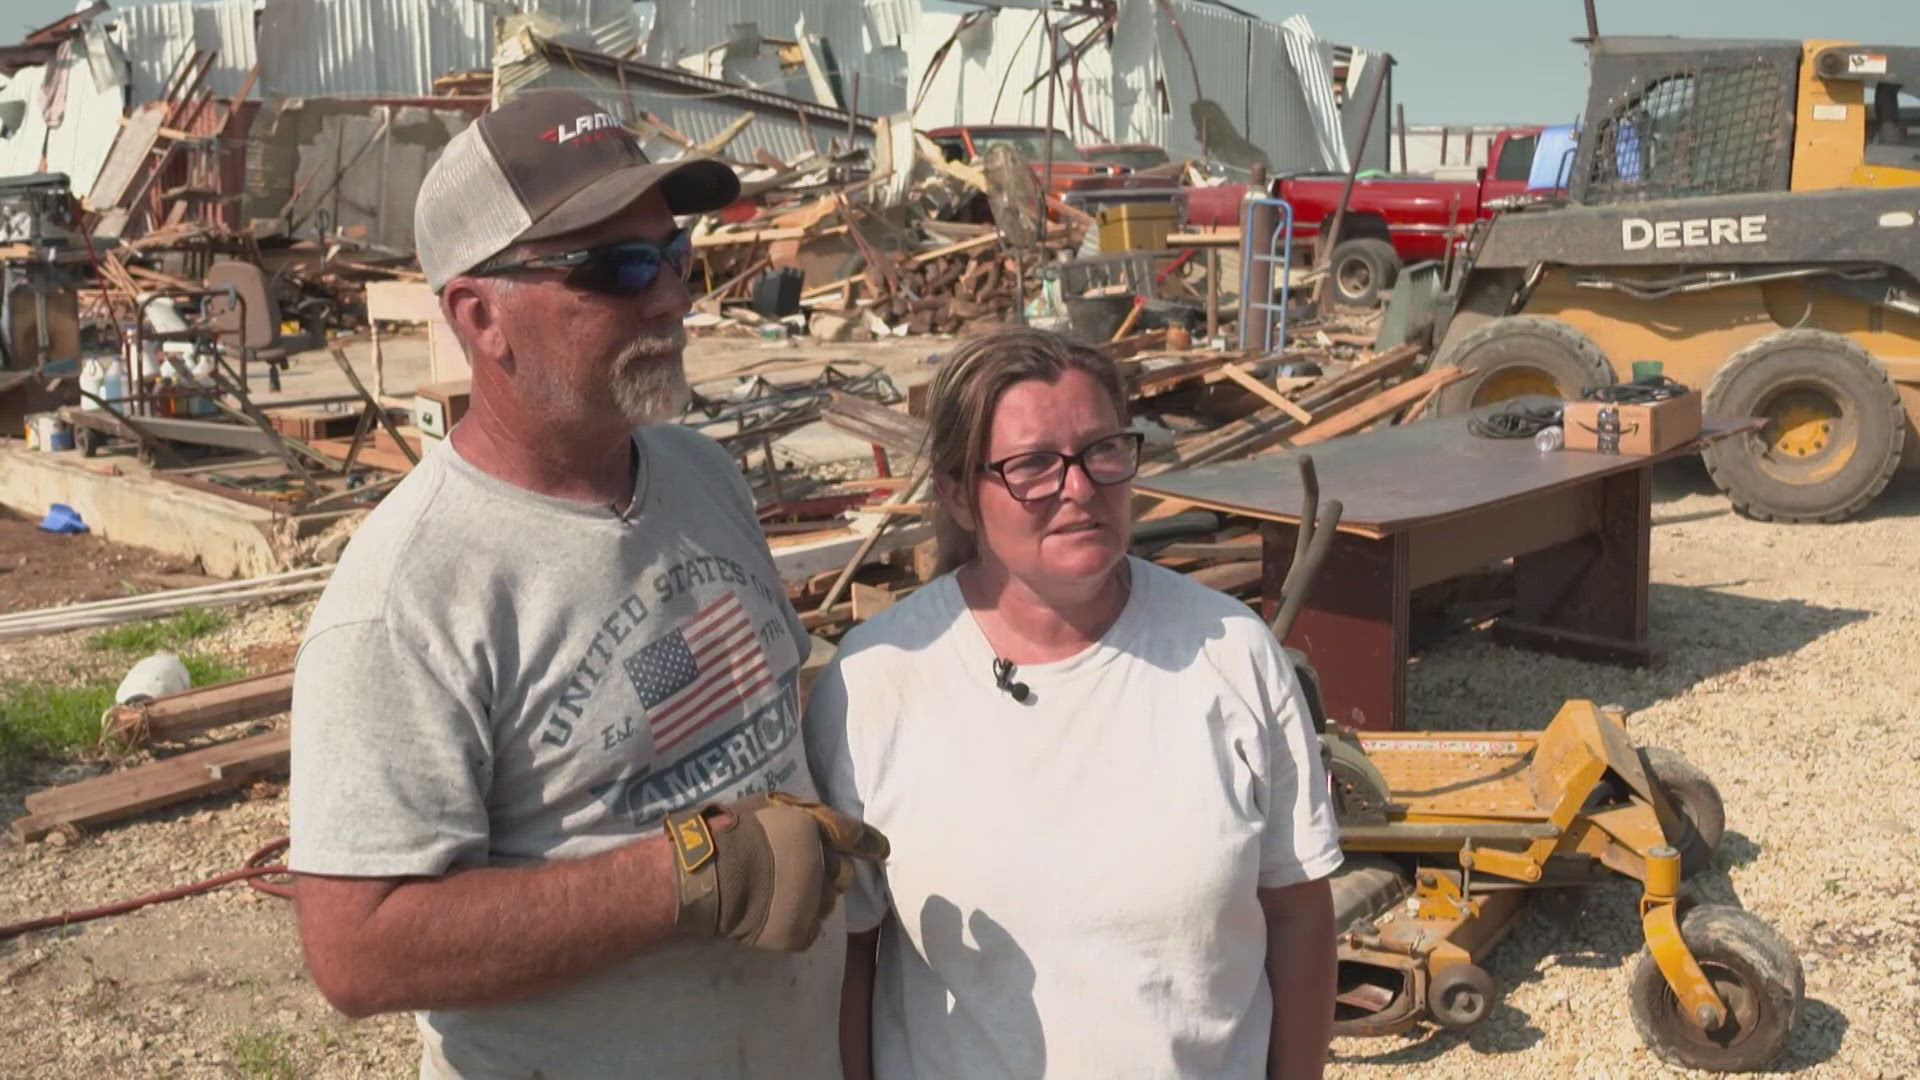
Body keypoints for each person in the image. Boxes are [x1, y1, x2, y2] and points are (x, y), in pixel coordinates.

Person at [287, 89, 885, 1079]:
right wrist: (685, 876)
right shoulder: (411, 597)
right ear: (483, 317)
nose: (670, 298)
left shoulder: (701, 476)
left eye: (676, 255)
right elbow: (356, 949)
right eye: (616, 268)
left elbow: (763, 705)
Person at [805, 327, 1343, 1079]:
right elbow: (851, 954)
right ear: (960, 494)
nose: (1081, 488)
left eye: (1103, 451)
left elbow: (1298, 913)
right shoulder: (880, 682)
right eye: (1032, 465)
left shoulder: (1230, 653)